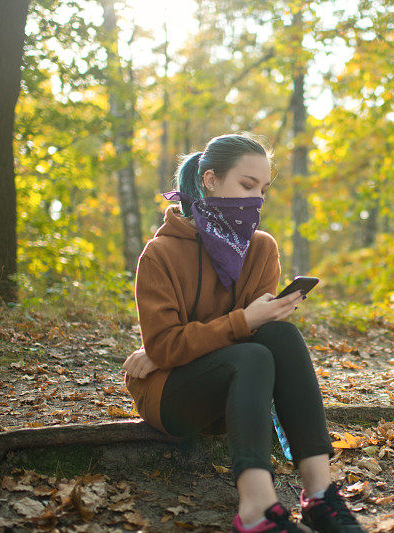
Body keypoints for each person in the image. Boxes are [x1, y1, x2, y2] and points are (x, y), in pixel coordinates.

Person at [122, 133, 366, 533]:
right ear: (210, 180)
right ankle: (256, 508)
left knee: (281, 337)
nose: (256, 200)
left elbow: (246, 340)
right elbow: (170, 347)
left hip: (235, 397)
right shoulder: (161, 253)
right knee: (252, 351)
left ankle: (320, 495)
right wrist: (233, 325)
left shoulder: (261, 249)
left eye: (263, 190)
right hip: (170, 396)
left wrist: (178, 344)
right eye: (246, 185)